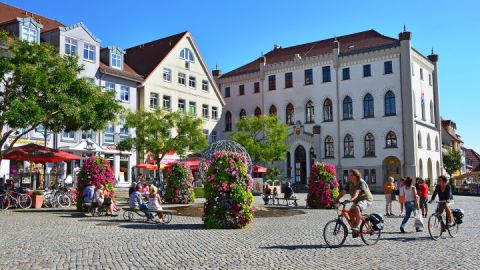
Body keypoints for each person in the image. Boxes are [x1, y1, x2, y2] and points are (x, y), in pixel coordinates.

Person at [335, 169, 373, 238]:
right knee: (349, 211)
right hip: (356, 200)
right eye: (348, 175)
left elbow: (357, 192)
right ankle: (355, 229)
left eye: (351, 175)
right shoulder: (349, 183)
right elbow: (343, 191)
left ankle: (356, 227)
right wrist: (336, 199)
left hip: (366, 199)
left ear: (356, 175)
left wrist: (352, 199)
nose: (349, 176)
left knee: (357, 207)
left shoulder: (361, 182)